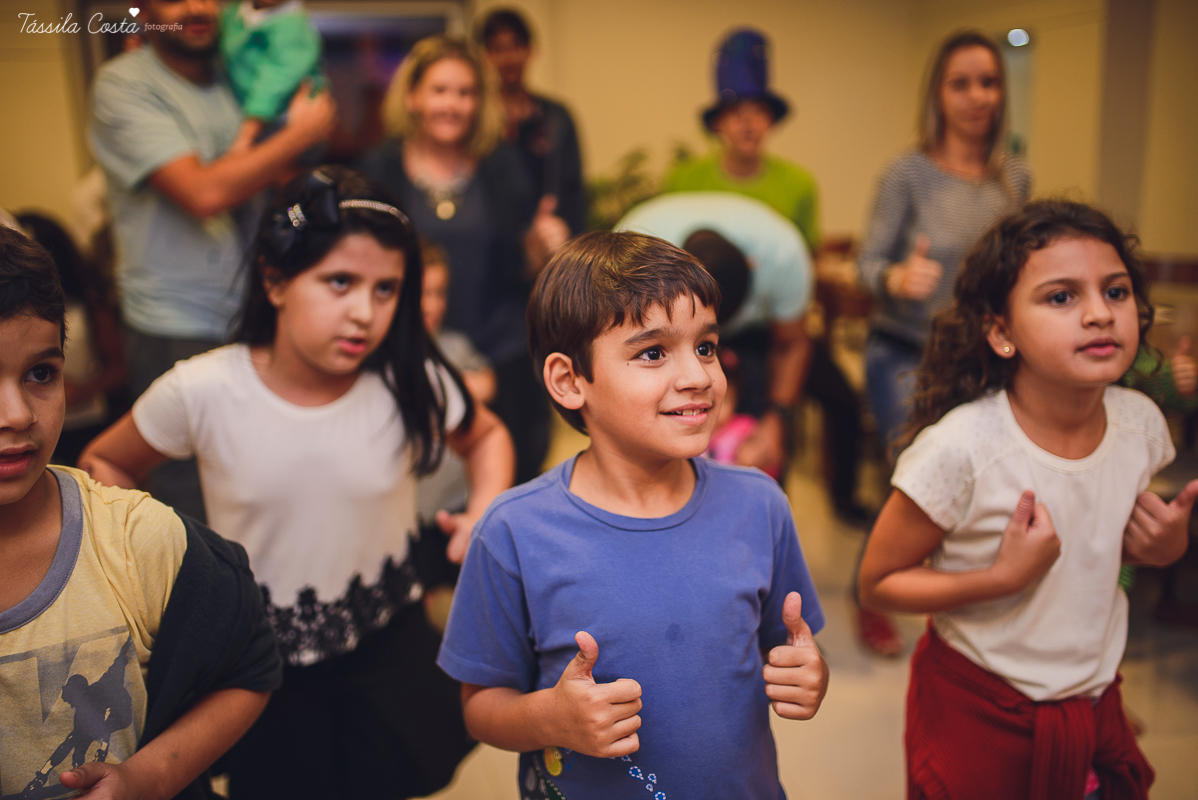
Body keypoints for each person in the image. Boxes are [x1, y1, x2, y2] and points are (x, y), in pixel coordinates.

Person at [78, 167, 515, 799]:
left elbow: (486, 435)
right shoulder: (202, 389)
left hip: (387, 648)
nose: (365, 312)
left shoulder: (407, 378)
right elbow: (105, 462)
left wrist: (482, 510)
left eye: (386, 289)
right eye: (340, 282)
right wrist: (147, 567)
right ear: (276, 280)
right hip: (263, 666)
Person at [438, 231, 829, 799]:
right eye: (652, 352)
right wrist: (552, 718)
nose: (697, 376)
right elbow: (480, 708)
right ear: (570, 381)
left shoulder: (760, 504)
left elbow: (786, 648)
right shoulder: (513, 532)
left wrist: (807, 676)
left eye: (706, 346)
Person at [857, 201, 1196, 799]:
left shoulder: (1141, 426)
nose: (1099, 314)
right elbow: (878, 583)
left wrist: (1163, 548)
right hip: (981, 709)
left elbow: (1096, 545)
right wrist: (1000, 578)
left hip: (1092, 702)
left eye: (1115, 292)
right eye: (1061, 297)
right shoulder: (962, 449)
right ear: (1001, 332)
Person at [0, 226, 280, 800]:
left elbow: (251, 666)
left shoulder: (140, 541)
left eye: (40, 374)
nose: (17, 414)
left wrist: (148, 778)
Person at [90, 0, 335, 517]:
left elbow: (274, 176)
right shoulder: (124, 84)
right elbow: (203, 193)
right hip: (173, 324)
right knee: (188, 503)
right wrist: (301, 132)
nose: (197, 6)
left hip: (255, 315)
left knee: (262, 486)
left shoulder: (236, 77)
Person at [853, 30, 1032, 657]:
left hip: (982, 354)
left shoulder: (1014, 178)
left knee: (975, 483)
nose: (977, 96)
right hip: (903, 349)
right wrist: (896, 277)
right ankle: (872, 592)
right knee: (914, 479)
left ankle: (947, 597)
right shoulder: (908, 172)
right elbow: (866, 263)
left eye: (988, 82)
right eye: (962, 83)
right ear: (939, 94)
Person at [360, 34, 568, 484]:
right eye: (440, 90)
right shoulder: (380, 168)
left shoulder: (503, 166)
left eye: (465, 93)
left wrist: (543, 243)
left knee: (506, 482)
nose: (452, 104)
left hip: (498, 351)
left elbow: (523, 266)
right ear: (413, 97)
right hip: (409, 354)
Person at [618, 191, 867, 518]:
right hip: (667, 326)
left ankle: (777, 513)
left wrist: (777, 419)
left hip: (762, 331)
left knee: (832, 405)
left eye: (711, 344)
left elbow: (791, 343)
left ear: (753, 267)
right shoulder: (631, 258)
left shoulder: (783, 256)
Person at [663, 28, 819, 254]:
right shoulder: (682, 181)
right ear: (719, 123)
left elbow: (808, 259)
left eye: (758, 112)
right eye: (736, 113)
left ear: (771, 122)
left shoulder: (800, 185)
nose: (749, 125)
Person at [477, 7, 587, 235]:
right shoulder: (478, 119)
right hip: (497, 242)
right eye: (498, 48)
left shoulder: (557, 116)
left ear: (531, 50)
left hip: (553, 239)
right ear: (485, 55)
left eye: (516, 46)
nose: (508, 58)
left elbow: (573, 189)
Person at [220, 0, 325, 150]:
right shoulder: (235, 13)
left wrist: (247, 135)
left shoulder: (292, 24)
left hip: (282, 116)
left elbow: (275, 80)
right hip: (249, 109)